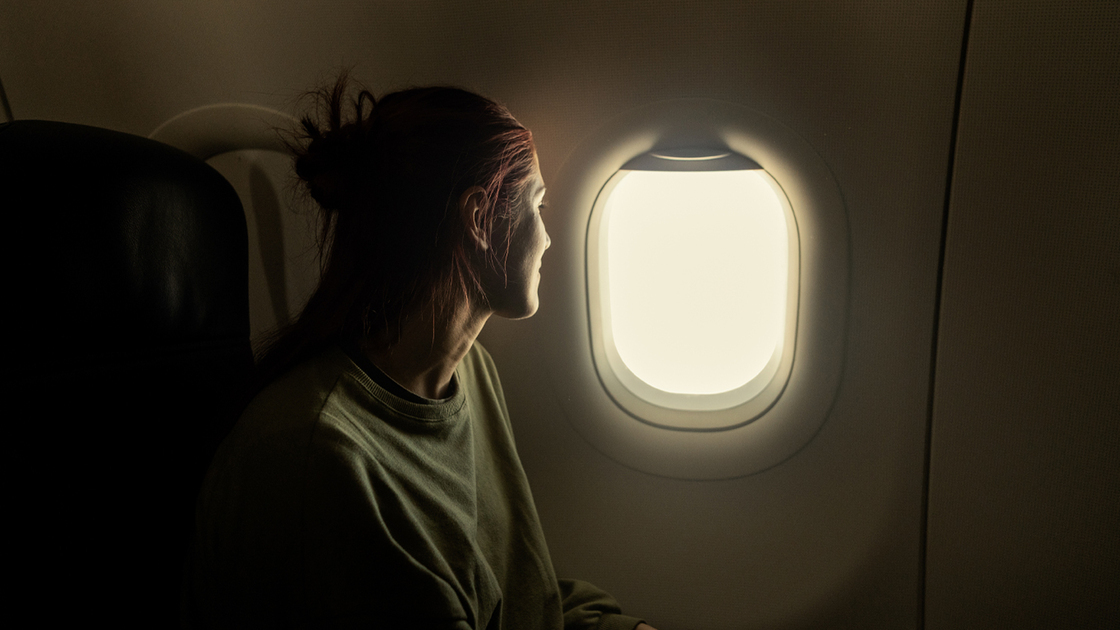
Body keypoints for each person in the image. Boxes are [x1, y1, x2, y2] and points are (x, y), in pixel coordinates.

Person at [184, 78, 658, 630]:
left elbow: (520, 597)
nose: (548, 238)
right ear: (479, 218)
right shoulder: (319, 456)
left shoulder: (472, 373)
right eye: (538, 205)